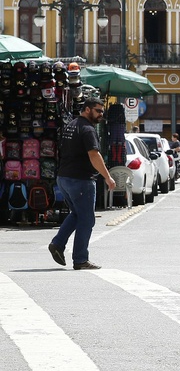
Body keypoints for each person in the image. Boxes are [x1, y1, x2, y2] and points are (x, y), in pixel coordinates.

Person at [48, 98, 116, 270]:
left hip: (64, 178)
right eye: (98, 110)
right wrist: (108, 177)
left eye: (102, 111)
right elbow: (94, 155)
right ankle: (80, 259)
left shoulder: (71, 125)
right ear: (87, 109)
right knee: (87, 220)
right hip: (81, 180)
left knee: (77, 214)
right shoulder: (87, 129)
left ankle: (57, 244)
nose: (101, 114)